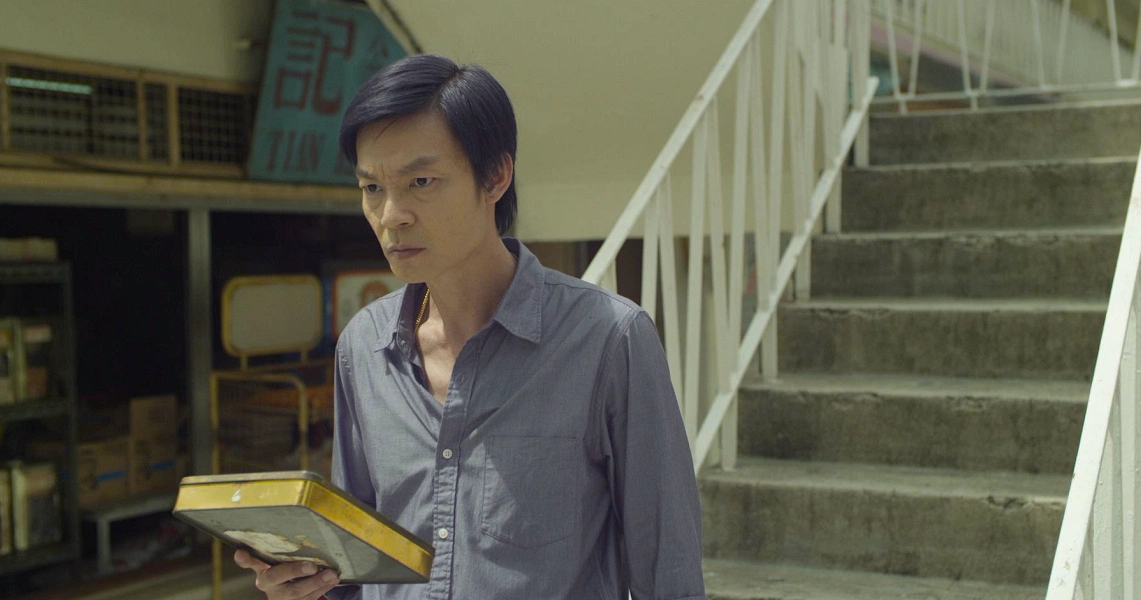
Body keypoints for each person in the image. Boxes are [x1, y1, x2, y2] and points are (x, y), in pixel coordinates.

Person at [234, 53, 706, 600]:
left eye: (421, 181)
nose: (392, 215)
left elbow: (667, 571)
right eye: (371, 189)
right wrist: (303, 587)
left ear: (496, 177)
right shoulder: (364, 346)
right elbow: (351, 568)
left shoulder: (608, 340)